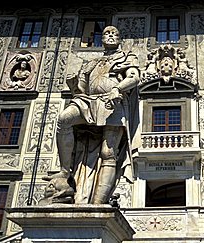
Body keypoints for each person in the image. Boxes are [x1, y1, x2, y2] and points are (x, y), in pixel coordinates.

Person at [42, 25, 140, 204]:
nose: (110, 36)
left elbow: (133, 77)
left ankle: (98, 203)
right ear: (101, 39)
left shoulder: (127, 57)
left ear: (120, 39)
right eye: (106, 34)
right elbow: (82, 87)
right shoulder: (92, 62)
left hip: (113, 103)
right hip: (89, 101)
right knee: (64, 119)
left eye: (114, 34)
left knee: (108, 152)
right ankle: (65, 170)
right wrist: (75, 84)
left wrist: (117, 88)